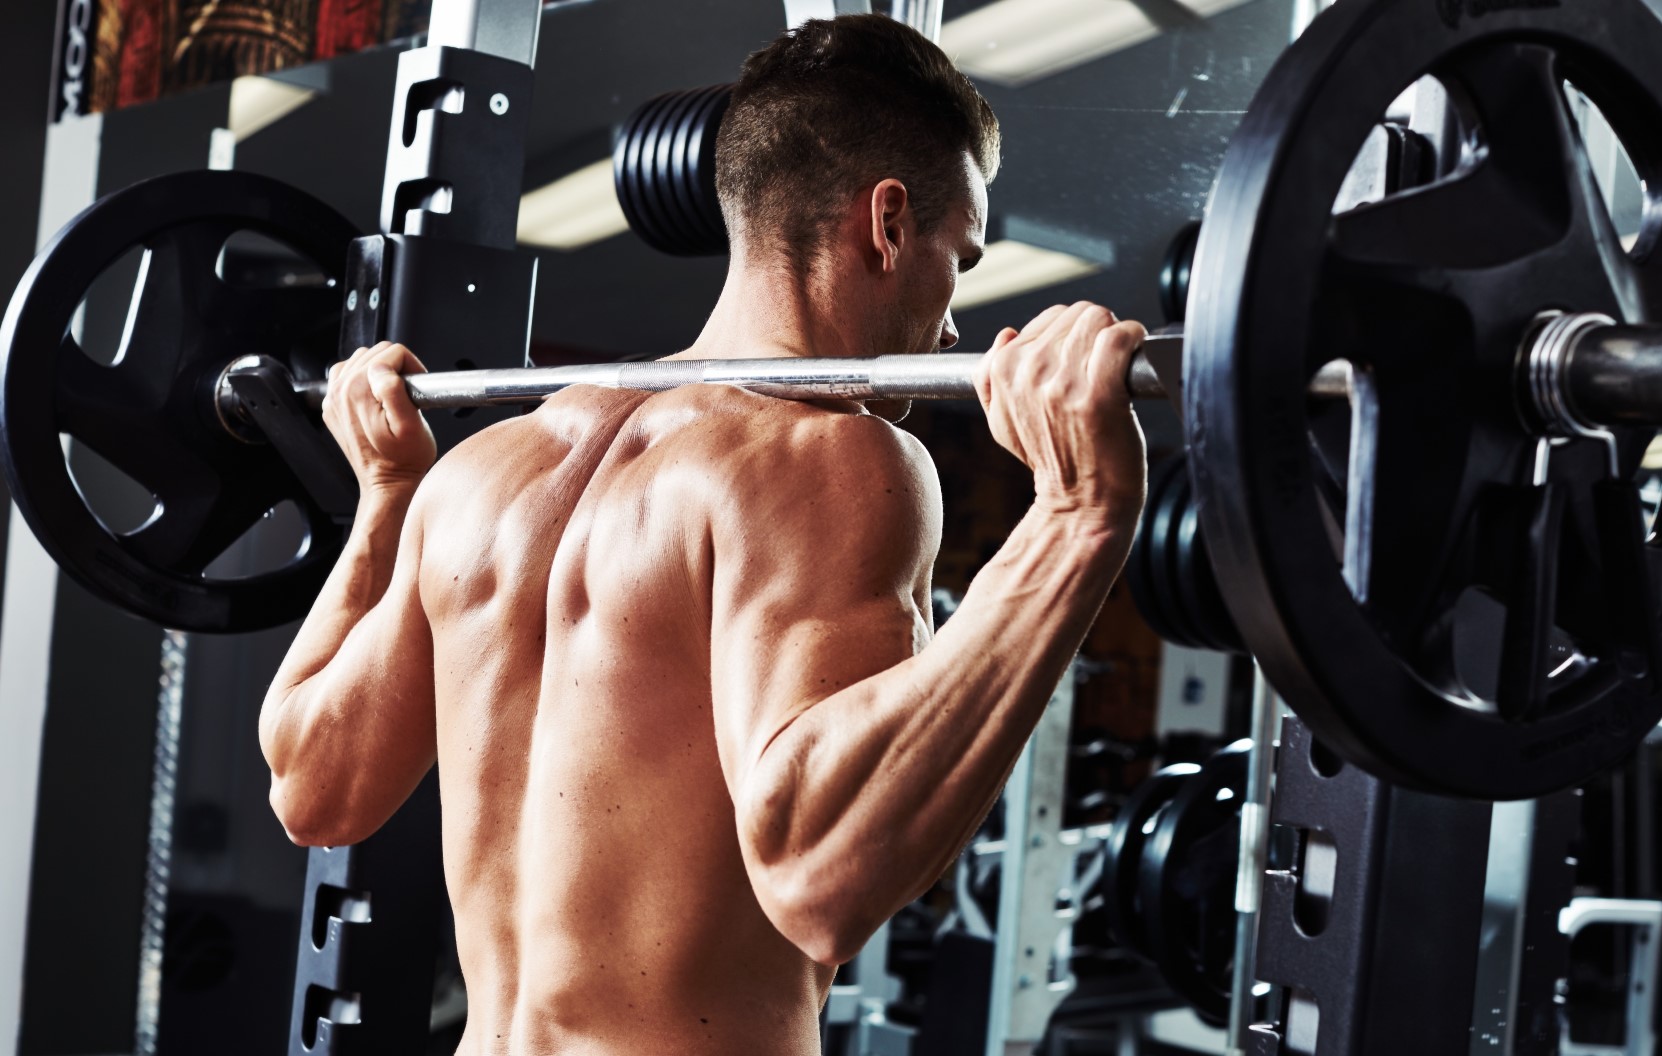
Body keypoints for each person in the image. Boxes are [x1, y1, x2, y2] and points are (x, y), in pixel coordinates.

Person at [257, 14, 1148, 1053]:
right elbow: (820, 871)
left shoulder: (479, 475)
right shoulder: (828, 460)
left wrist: (387, 496)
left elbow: (312, 784)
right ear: (889, 223)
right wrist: (1077, 518)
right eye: (962, 259)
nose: (953, 324)